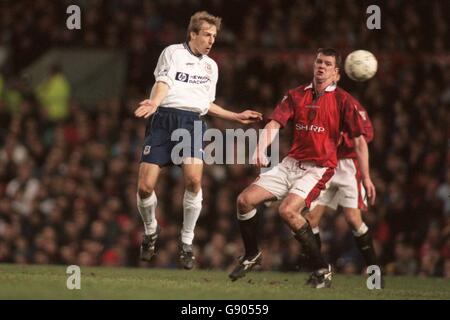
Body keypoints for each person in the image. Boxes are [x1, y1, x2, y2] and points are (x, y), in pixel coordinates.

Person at [229, 48, 372, 288]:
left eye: (327, 64)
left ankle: (321, 269)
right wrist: (260, 150)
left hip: (319, 168)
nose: (321, 66)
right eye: (319, 62)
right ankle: (252, 254)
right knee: (244, 201)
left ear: (336, 73)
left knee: (288, 211)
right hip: (291, 163)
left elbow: (359, 141)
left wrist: (365, 176)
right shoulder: (296, 95)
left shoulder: (344, 101)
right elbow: (274, 124)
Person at [134, 11, 262, 270]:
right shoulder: (172, 53)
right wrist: (155, 103)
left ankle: (186, 242)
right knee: (145, 187)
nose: (211, 40)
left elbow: (205, 104)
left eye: (214, 36)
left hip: (192, 123)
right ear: (193, 34)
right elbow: (164, 82)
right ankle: (150, 232)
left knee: (193, 180)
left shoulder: (211, 66)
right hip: (163, 119)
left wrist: (235, 117)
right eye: (206, 34)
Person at [305, 101, 379, 272]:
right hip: (326, 165)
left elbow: (366, 136)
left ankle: (374, 271)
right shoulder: (319, 107)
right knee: (311, 219)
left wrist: (342, 137)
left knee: (353, 219)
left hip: (349, 167)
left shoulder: (355, 108)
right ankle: (320, 270)